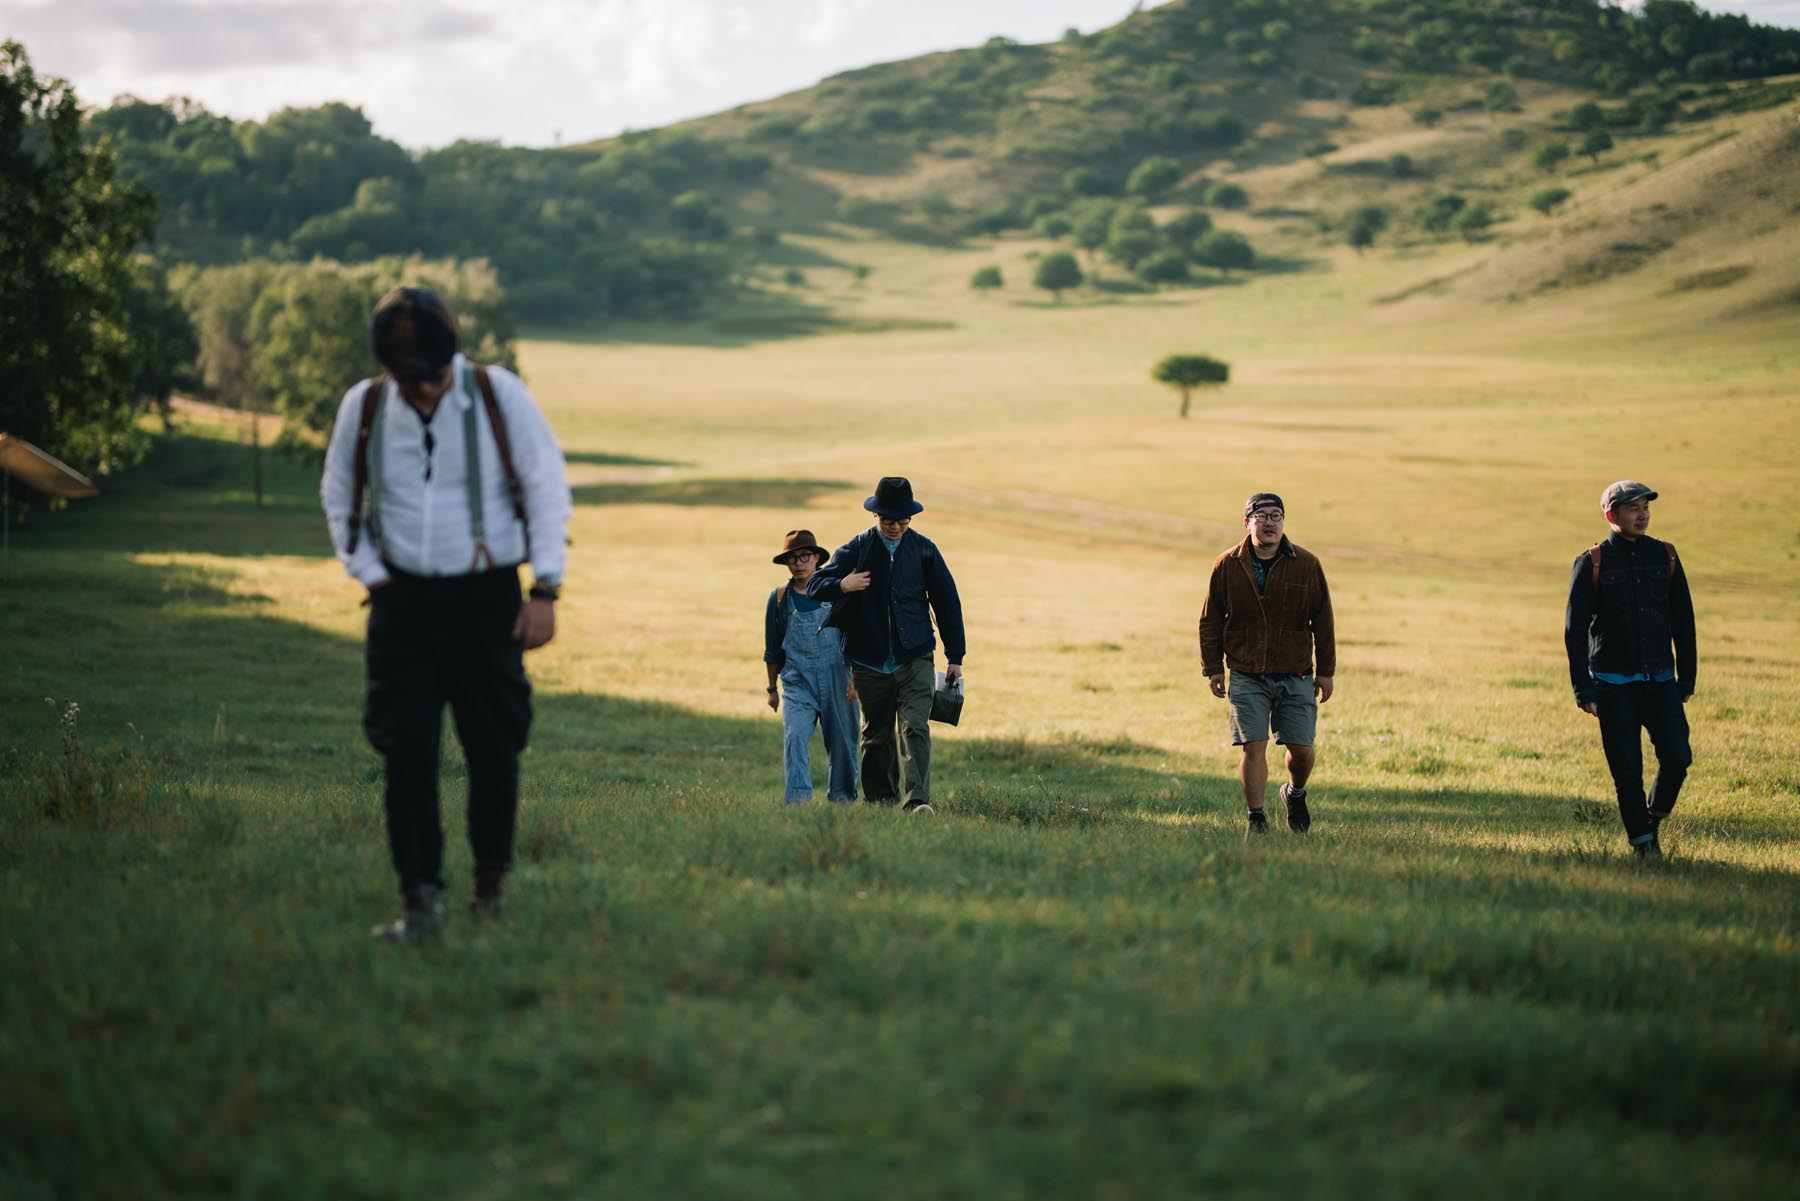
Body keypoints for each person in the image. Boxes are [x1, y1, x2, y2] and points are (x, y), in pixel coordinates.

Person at [321, 287, 571, 940]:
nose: (423, 389)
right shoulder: (366, 406)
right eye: (409, 378)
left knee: (494, 748)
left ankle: (490, 890)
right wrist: (373, 575)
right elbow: (340, 493)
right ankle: (420, 901)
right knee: (407, 751)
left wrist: (545, 589)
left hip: (487, 595)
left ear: (449, 358)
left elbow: (547, 485)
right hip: (400, 600)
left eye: (431, 375)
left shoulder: (497, 395)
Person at [807, 477, 965, 814]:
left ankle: (918, 801)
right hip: (868, 660)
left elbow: (947, 602)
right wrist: (844, 584)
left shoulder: (924, 550)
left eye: (902, 519)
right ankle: (880, 803)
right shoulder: (858, 548)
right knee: (876, 736)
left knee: (915, 728)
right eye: (888, 520)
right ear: (876, 517)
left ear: (911, 517)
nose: (895, 526)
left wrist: (955, 656)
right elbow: (816, 585)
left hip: (915, 655)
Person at [1564, 480, 1695, 859]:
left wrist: (1686, 678)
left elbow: (1684, 622)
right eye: (1632, 508)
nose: (1642, 514)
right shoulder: (1592, 562)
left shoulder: (1666, 556)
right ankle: (1644, 847)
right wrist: (1583, 690)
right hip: (1612, 686)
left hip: (1661, 682)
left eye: (1646, 507)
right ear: (1611, 515)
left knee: (1678, 757)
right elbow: (1574, 632)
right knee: (1627, 772)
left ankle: (1650, 820)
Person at [1198, 492, 1336, 834]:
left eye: (1277, 516)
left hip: (1296, 672)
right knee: (1253, 746)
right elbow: (1210, 619)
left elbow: (1323, 620)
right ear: (1248, 523)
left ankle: (1295, 792)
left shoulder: (1306, 564)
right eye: (1262, 516)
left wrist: (1327, 671)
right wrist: (1213, 667)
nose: (1270, 522)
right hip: (1247, 673)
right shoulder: (1227, 565)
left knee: (1302, 750)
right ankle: (1256, 817)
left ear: (1283, 522)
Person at [763, 529, 859, 804]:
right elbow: (772, 649)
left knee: (843, 744)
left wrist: (856, 678)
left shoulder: (837, 591)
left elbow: (854, 636)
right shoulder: (780, 598)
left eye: (804, 556)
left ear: (817, 558)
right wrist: (772, 689)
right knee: (794, 738)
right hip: (797, 682)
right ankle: (797, 803)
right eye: (792, 558)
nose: (798, 562)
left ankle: (843, 801)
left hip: (839, 680)